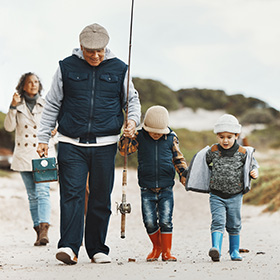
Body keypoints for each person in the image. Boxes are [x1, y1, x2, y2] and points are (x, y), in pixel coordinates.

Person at [36, 23, 141, 265]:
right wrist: (43, 138)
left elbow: (132, 102)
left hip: (106, 144)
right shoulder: (66, 67)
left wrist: (133, 121)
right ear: (81, 47)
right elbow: (52, 104)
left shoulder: (120, 69)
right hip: (70, 143)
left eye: (100, 51)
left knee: (101, 197)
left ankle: (97, 249)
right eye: (90, 51)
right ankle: (69, 247)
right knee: (71, 195)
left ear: (106, 48)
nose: (95, 56)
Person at [185, 114, 259, 262]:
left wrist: (255, 171)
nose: (225, 140)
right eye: (221, 137)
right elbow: (201, 163)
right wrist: (190, 175)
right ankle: (216, 249)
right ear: (217, 136)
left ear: (236, 136)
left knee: (234, 223)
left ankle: (234, 251)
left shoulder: (243, 152)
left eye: (229, 137)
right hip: (216, 195)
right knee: (217, 221)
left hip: (235, 195)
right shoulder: (212, 151)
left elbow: (253, 164)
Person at [119, 105, 187, 262]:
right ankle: (157, 247)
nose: (156, 135)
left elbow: (178, 158)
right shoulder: (140, 136)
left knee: (166, 220)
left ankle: (167, 252)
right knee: (149, 222)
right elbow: (124, 151)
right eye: (153, 131)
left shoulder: (171, 137)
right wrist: (126, 135)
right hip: (146, 187)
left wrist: (183, 174)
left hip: (166, 187)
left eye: (160, 132)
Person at [4, 72, 55, 246]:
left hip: (43, 154)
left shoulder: (47, 104)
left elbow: (56, 125)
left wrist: (54, 133)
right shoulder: (17, 106)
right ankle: (38, 231)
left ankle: (45, 230)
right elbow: (9, 127)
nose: (33, 85)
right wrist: (12, 106)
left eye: (36, 82)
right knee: (32, 196)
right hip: (24, 155)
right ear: (23, 86)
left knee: (43, 193)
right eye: (29, 82)